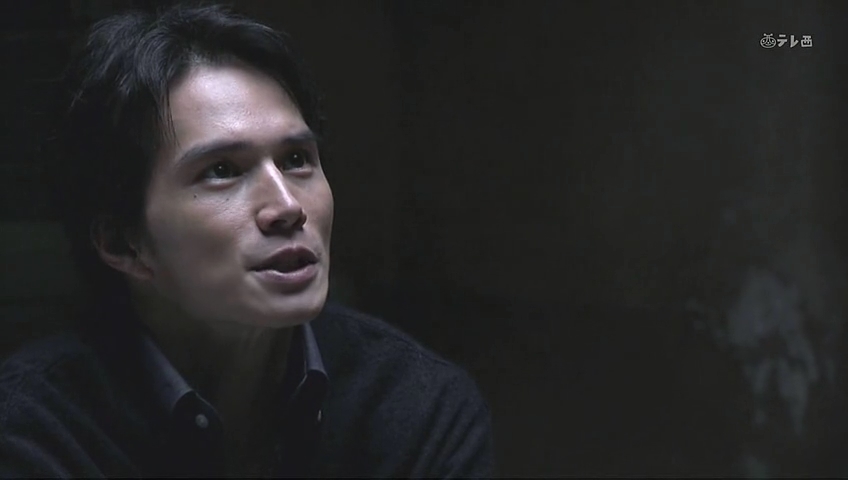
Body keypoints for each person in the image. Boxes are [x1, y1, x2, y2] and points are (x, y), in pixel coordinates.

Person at [0, 4, 494, 478]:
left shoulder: (417, 408)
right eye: (222, 171)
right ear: (123, 243)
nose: (288, 206)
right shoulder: (36, 433)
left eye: (297, 160)